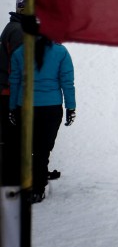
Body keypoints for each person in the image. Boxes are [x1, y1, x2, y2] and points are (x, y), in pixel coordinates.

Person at [9, 35, 76, 203]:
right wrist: (70, 107)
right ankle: (38, 189)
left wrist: (12, 108)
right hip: (51, 108)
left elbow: (15, 82)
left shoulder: (20, 52)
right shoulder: (61, 52)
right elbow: (67, 82)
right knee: (42, 150)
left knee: (27, 148)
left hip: (24, 106)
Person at [0, 0, 26, 186]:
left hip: (9, 90)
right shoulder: (18, 31)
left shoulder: (15, 28)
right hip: (11, 92)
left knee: (14, 135)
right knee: (14, 136)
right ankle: (13, 177)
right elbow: (19, 66)